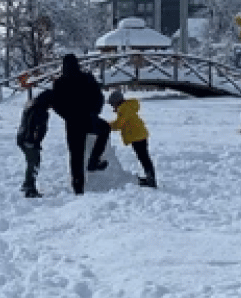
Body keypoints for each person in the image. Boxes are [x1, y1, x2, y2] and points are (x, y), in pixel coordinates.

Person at [51, 53, 110, 195]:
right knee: (105, 128)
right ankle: (94, 160)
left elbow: (56, 104)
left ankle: (78, 186)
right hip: (88, 118)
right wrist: (94, 112)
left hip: (72, 123)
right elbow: (99, 97)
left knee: (76, 155)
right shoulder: (87, 78)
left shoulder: (59, 83)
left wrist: (67, 116)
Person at [108, 90, 157, 188]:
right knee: (144, 158)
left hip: (137, 137)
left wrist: (107, 126)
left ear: (117, 102)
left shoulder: (124, 109)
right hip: (139, 135)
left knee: (144, 158)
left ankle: (151, 180)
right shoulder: (127, 107)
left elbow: (119, 124)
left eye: (112, 104)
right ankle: (150, 178)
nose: (113, 107)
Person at [16, 89, 53, 198]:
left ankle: (27, 183)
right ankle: (29, 187)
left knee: (33, 161)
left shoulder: (33, 106)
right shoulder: (38, 110)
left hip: (24, 138)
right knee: (33, 162)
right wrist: (32, 141)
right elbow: (31, 126)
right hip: (28, 140)